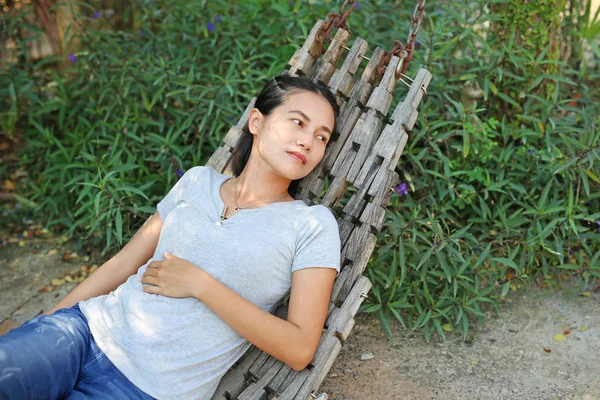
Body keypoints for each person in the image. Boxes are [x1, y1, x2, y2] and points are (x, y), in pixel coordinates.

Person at [0, 74, 342, 399]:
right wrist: (47, 325)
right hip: (83, 331)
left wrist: (201, 285)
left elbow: (299, 349)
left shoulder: (311, 225)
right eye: (298, 122)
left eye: (321, 137)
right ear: (257, 122)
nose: (307, 141)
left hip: (149, 388)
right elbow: (122, 264)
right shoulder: (197, 181)